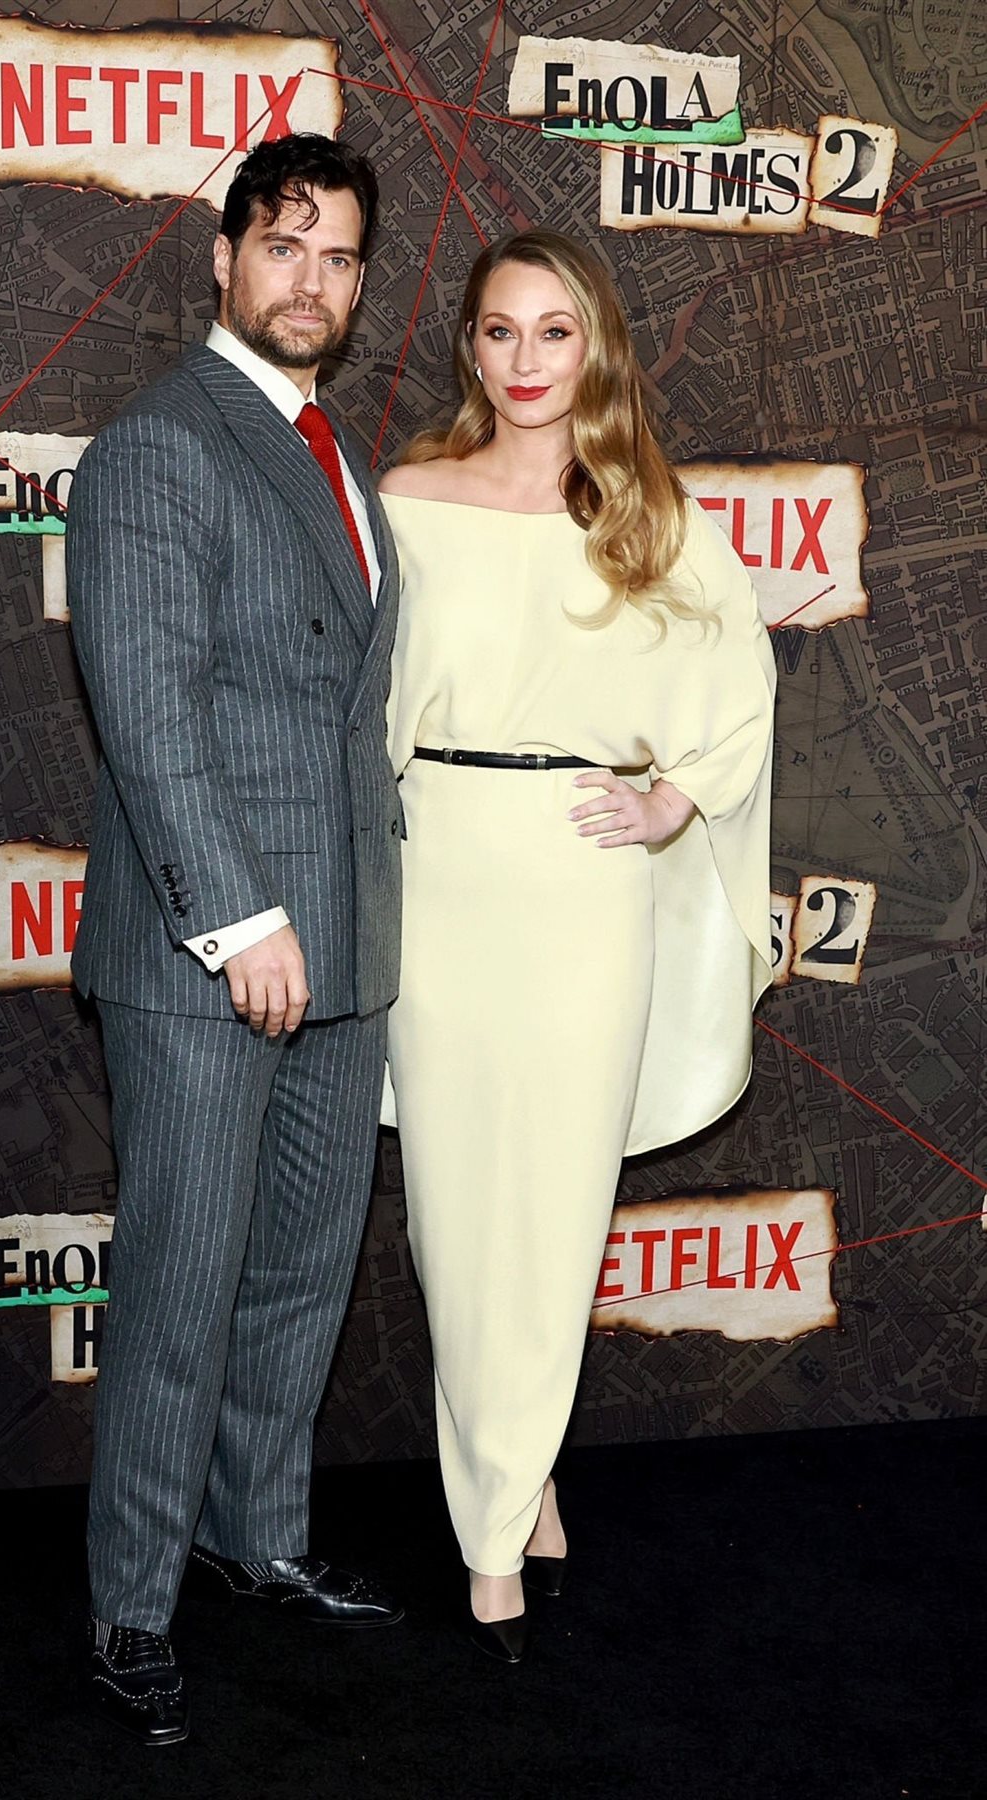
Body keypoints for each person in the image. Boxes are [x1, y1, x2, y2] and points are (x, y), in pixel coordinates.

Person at [378, 230, 775, 1664]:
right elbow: (352, 694)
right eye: (501, 331)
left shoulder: (646, 514)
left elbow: (739, 679)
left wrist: (677, 796)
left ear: (594, 345)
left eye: (556, 332)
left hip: (583, 886)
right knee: (450, 1220)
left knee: (553, 1214)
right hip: (438, 878)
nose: (528, 360)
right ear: (470, 348)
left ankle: (491, 1533)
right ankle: (519, 1478)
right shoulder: (407, 500)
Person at [66, 134, 404, 1746]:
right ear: (223, 260)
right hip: (216, 956)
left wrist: (345, 929)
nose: (310, 280)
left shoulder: (338, 454)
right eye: (284, 245)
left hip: (346, 947)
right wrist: (241, 920)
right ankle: (131, 1605)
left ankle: (255, 1537)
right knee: (181, 1288)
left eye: (338, 256)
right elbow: (148, 711)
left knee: (296, 1277)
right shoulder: (158, 446)